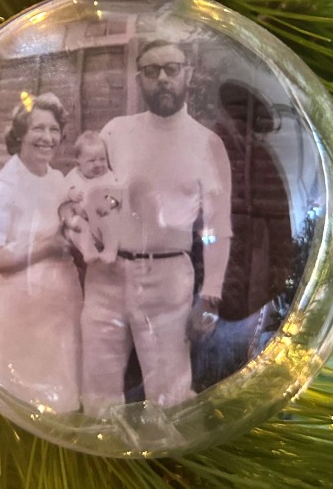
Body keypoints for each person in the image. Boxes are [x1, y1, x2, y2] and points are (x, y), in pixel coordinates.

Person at [79, 39, 233, 417]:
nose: (162, 79)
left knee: (169, 397)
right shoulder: (115, 131)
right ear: (140, 78)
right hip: (107, 277)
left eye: (171, 69)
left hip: (168, 278)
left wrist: (210, 297)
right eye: (152, 71)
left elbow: (218, 226)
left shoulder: (206, 144)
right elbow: (88, 188)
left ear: (188, 74)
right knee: (98, 389)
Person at [0, 92, 82, 413]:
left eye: (53, 129)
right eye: (38, 129)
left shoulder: (59, 181)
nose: (48, 138)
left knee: (64, 405)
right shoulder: (2, 187)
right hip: (20, 317)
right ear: (20, 133)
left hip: (61, 312)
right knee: (19, 408)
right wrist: (46, 246)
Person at [59, 131, 124, 265]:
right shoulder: (73, 176)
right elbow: (62, 191)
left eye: (102, 159)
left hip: (102, 220)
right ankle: (88, 250)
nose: (98, 164)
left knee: (111, 224)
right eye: (91, 161)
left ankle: (110, 249)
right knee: (74, 225)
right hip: (84, 221)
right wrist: (70, 194)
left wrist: (108, 204)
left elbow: (118, 195)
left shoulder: (108, 177)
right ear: (78, 164)